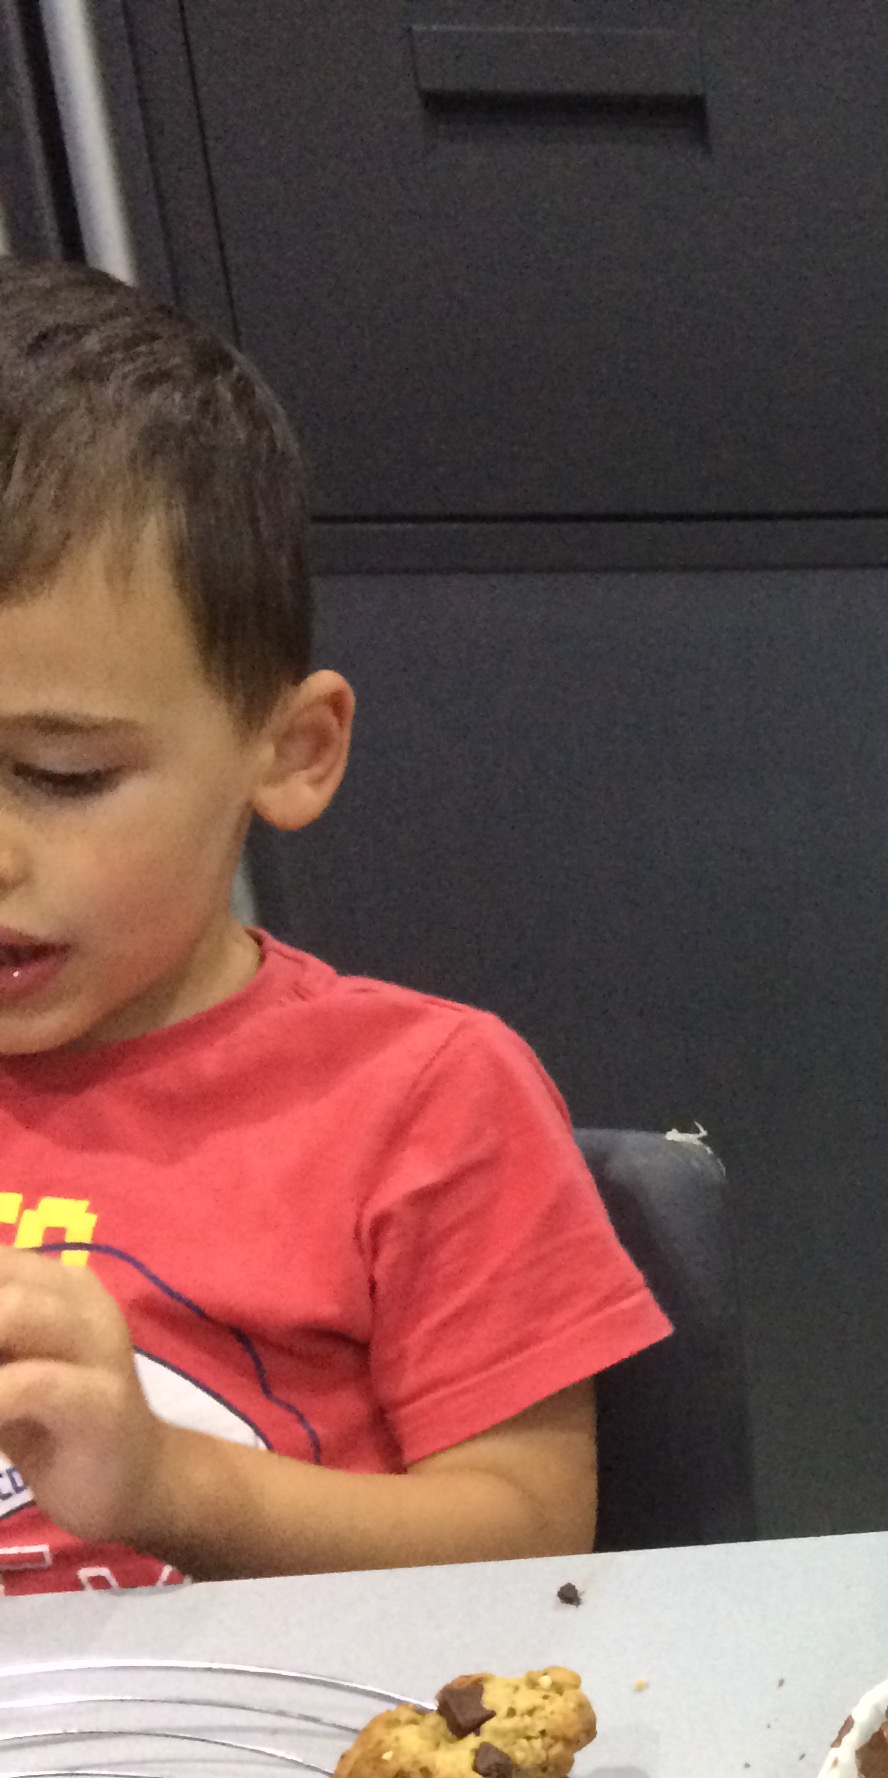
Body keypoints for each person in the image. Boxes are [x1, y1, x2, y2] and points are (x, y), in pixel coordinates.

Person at [0, 260, 668, 1589]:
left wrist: (164, 1484)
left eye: (63, 775)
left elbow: (531, 1535)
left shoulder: (419, 1103)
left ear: (291, 750)